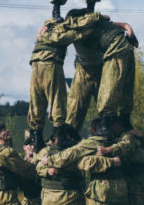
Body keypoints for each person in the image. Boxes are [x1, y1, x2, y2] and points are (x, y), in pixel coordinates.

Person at [27, 12, 102, 149]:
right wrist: (98, 17)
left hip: (35, 65)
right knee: (57, 99)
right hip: (51, 63)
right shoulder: (62, 30)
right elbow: (80, 31)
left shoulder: (45, 29)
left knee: (36, 102)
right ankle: (60, 136)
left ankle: (37, 138)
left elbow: (42, 31)